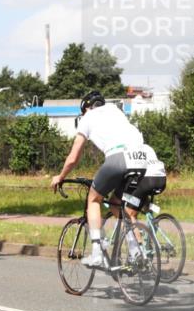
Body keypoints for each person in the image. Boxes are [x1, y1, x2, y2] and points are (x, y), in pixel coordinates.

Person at [50, 90, 151, 268]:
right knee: (115, 204)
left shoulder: (88, 118)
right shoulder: (116, 110)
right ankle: (136, 250)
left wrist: (61, 176)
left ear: (86, 108)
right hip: (141, 160)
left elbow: (73, 158)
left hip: (118, 159)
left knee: (94, 199)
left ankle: (97, 253)